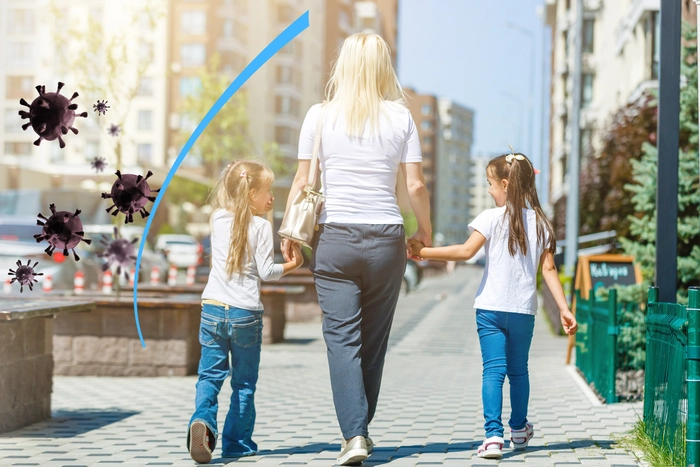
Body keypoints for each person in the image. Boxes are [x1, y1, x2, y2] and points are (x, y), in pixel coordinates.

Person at [281, 32, 432, 465]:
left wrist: (289, 234)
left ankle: (355, 435)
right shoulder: (401, 117)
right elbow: (416, 185)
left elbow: (303, 183)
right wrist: (425, 232)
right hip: (386, 239)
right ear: (384, 66)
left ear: (342, 66)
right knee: (373, 341)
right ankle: (360, 429)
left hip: (334, 239)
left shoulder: (319, 116)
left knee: (342, 340)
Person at [408, 152, 577, 460]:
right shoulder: (541, 223)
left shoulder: (490, 217)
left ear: (504, 184)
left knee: (493, 371)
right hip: (524, 310)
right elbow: (549, 270)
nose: (488, 190)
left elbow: (465, 251)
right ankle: (519, 430)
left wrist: (425, 252)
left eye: (489, 184)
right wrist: (564, 308)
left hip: (490, 309)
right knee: (518, 372)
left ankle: (493, 437)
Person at [187, 160, 304, 464]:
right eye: (268, 191)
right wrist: (296, 263)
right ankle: (237, 444)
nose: (272, 198)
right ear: (252, 193)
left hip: (212, 307)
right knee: (243, 384)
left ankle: (202, 421)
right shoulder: (262, 226)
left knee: (210, 376)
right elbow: (267, 272)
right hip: (245, 314)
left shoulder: (216, 218)